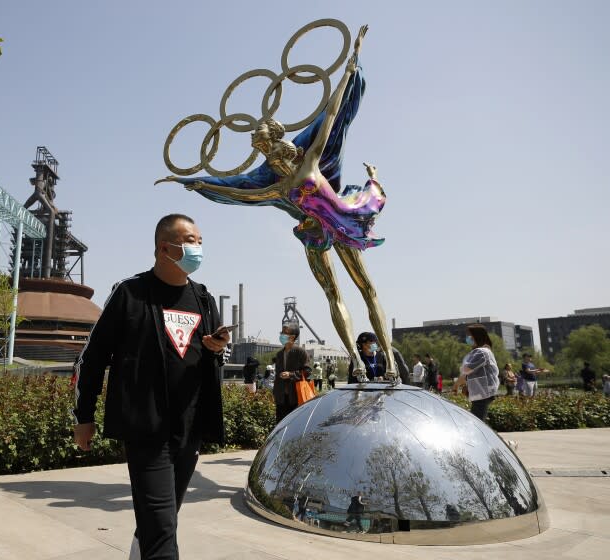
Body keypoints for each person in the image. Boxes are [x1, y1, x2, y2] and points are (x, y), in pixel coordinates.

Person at [158, 25, 399, 380]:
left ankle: (390, 365)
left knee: (366, 288)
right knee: (336, 294)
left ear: (275, 142)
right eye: (258, 146)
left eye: (261, 142)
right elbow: (238, 192)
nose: (260, 149)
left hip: (340, 222)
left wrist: (350, 70)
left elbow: (331, 118)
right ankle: (358, 364)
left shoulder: (307, 164)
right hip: (316, 233)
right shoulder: (277, 185)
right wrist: (198, 183)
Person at [72, 214, 229, 560]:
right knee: (161, 527)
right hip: (146, 429)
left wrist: (217, 348)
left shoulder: (204, 299)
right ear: (164, 247)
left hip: (189, 429)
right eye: (190, 240)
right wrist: (84, 416)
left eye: (200, 241)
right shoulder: (130, 293)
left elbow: (212, 355)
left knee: (163, 519)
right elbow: (92, 357)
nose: (197, 248)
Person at [453, 324, 500, 422]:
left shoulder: (481, 352)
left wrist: (457, 384)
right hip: (482, 392)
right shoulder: (482, 351)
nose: (467, 338)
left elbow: (466, 370)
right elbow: (468, 373)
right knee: (478, 421)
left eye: (469, 335)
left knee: (477, 423)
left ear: (477, 336)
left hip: (483, 393)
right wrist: (460, 384)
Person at [272, 323, 309, 422]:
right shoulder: (279, 354)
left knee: (294, 424)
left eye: (285, 333)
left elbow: (307, 372)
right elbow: (277, 375)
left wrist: (291, 374)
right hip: (281, 398)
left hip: (295, 397)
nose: (282, 335)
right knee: (280, 424)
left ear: (292, 337)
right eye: (282, 332)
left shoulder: (301, 352)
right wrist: (275, 393)